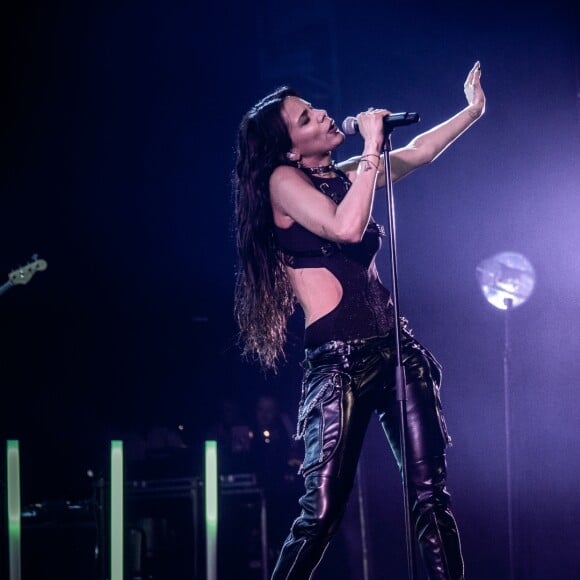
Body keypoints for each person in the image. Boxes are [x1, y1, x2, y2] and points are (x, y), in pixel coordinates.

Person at [232, 62, 485, 579]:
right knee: (320, 514)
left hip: (395, 348)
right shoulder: (283, 183)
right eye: (306, 117)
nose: (323, 113)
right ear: (290, 148)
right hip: (339, 365)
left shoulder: (345, 178)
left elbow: (419, 153)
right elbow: (345, 229)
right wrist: (370, 145)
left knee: (431, 499)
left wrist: (473, 110)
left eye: (313, 107)